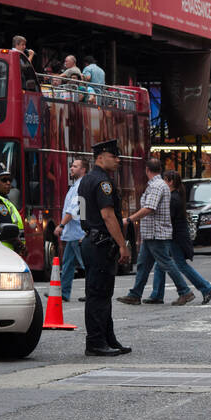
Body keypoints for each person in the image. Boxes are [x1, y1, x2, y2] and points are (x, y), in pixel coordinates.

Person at [78, 139, 132, 356]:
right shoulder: (103, 182)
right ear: (100, 157)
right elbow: (108, 216)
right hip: (101, 243)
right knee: (98, 295)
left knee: (101, 293)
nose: (118, 160)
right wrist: (122, 245)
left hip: (91, 240)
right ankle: (95, 342)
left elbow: (82, 215)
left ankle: (107, 338)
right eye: (114, 156)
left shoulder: (85, 180)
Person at [118, 158, 179, 305]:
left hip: (155, 232)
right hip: (150, 232)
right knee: (143, 264)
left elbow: (149, 208)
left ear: (147, 170)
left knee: (166, 263)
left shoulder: (156, 186)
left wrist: (129, 219)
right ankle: (135, 294)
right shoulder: (157, 185)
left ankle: (184, 291)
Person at [161, 170, 211, 304]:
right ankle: (157, 294)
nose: (163, 183)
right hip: (177, 236)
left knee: (180, 265)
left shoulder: (174, 198)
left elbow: (169, 219)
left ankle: (206, 287)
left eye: (165, 180)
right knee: (165, 263)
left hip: (177, 237)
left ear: (170, 182)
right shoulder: (176, 195)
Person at [54, 156, 89, 303]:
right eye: (72, 166)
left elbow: (74, 210)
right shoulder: (75, 186)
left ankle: (91, 292)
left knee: (86, 265)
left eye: (75, 166)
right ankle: (64, 293)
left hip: (78, 233)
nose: (71, 168)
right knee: (68, 264)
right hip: (73, 233)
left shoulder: (80, 186)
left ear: (83, 169)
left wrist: (61, 225)